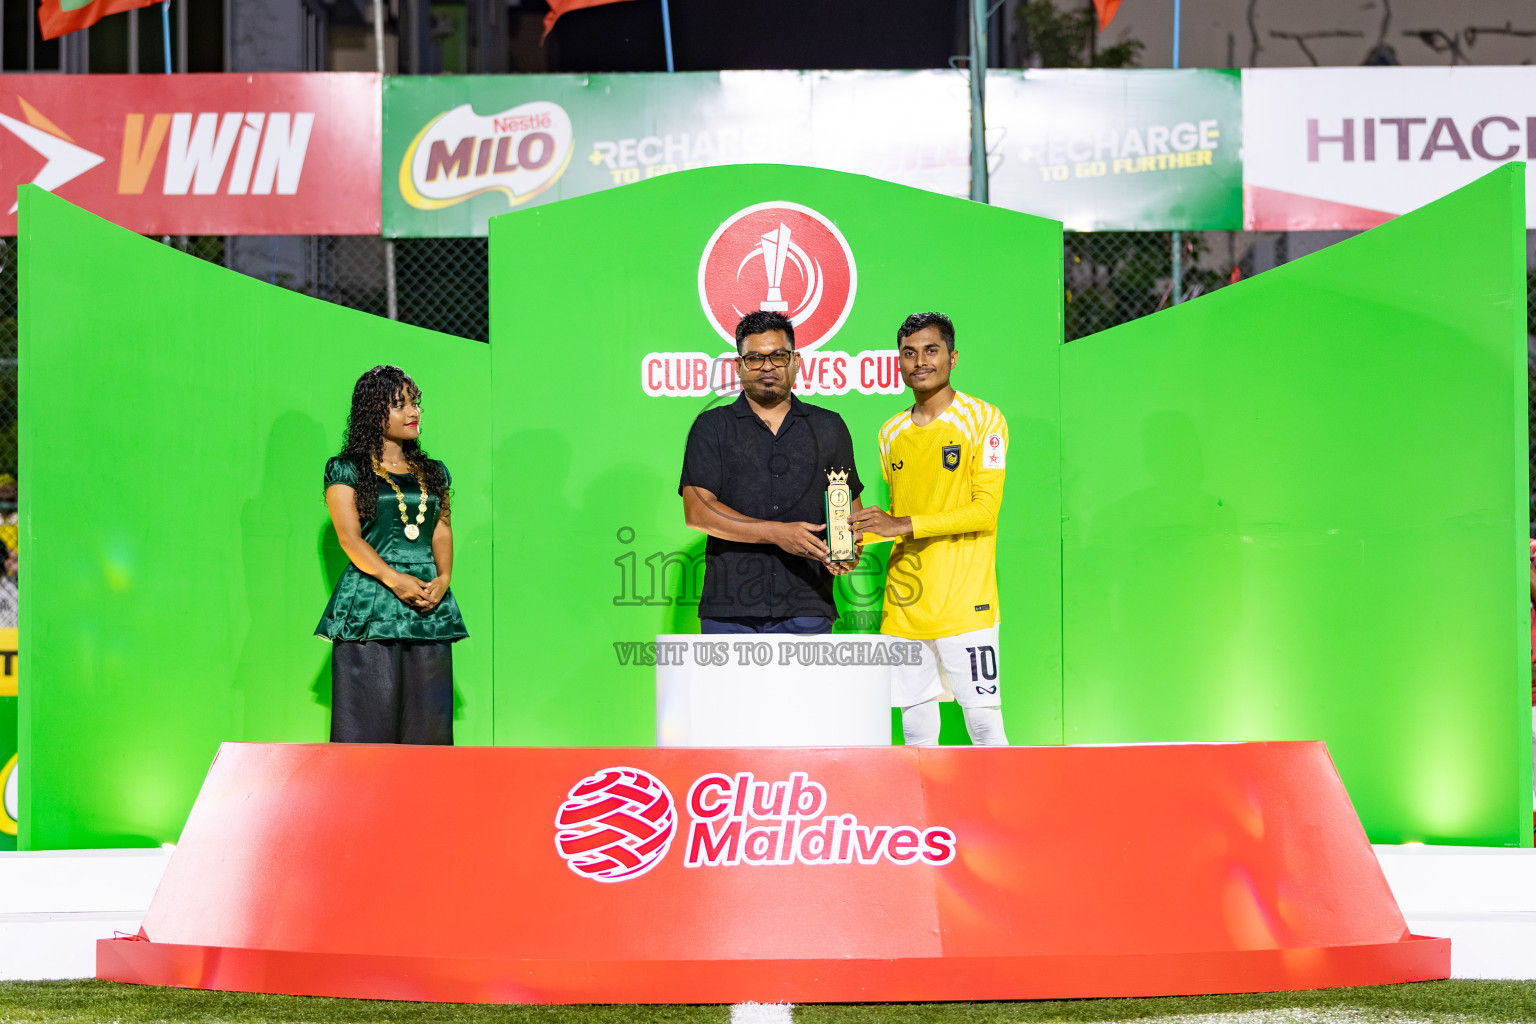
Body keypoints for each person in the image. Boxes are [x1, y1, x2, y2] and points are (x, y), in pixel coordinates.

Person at [849, 312, 1009, 746]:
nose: (920, 361)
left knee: (983, 722)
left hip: (966, 600)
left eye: (931, 350)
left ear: (952, 358)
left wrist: (900, 523)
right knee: (916, 727)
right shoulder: (890, 432)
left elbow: (984, 512)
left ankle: (1004, 794)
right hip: (906, 602)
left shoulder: (984, 420)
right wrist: (855, 537)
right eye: (909, 353)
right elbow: (901, 516)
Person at [680, 310, 863, 634]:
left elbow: (849, 513)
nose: (767, 367)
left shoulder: (829, 427)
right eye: (754, 358)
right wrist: (777, 533)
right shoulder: (712, 427)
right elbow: (698, 512)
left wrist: (850, 549)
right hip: (729, 610)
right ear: (738, 366)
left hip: (808, 604)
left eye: (778, 356)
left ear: (796, 361)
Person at [316, 365, 467, 744]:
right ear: (373, 411)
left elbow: (441, 528)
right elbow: (350, 539)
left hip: (428, 605)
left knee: (429, 727)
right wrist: (395, 580)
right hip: (371, 604)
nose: (414, 412)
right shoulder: (346, 469)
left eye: (415, 404)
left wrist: (444, 578)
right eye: (400, 405)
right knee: (368, 725)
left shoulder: (434, 471)